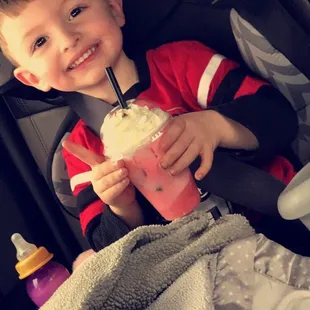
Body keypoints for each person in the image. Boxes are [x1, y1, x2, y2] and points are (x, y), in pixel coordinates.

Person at [0, 0, 297, 251]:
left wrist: (215, 126)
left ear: (115, 8)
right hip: (195, 263)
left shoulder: (183, 65)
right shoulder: (83, 151)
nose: (67, 40)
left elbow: (279, 117)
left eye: (76, 11)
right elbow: (108, 249)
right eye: (40, 41)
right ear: (33, 79)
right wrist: (121, 206)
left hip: (278, 219)